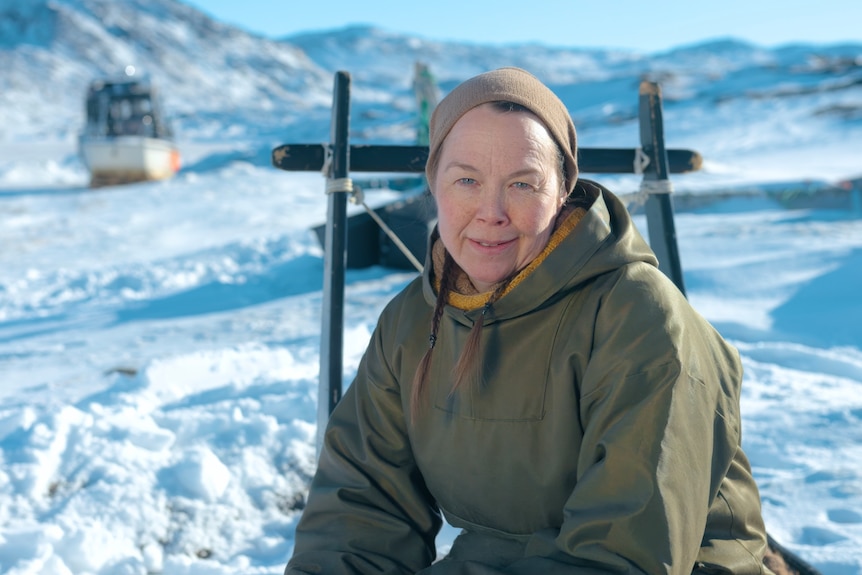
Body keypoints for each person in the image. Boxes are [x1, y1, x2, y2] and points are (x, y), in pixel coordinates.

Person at [285, 67, 773, 575]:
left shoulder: (638, 317)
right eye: (467, 180)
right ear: (434, 184)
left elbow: (620, 556)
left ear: (563, 190)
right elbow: (360, 508)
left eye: (523, 183)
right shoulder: (413, 321)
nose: (491, 211)